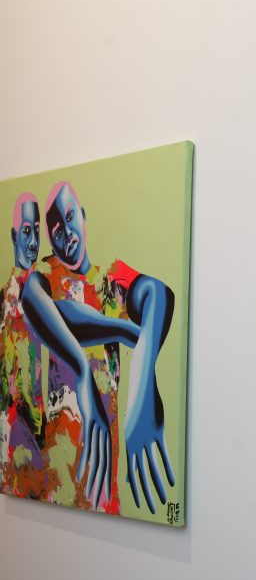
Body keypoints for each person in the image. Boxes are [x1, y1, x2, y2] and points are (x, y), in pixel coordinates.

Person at [20, 181, 175, 513]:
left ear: (83, 215)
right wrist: (116, 335)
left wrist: (143, 381)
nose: (68, 235)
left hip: (103, 461)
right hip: (60, 463)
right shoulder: (47, 273)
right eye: (57, 231)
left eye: (70, 217)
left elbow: (158, 293)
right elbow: (40, 302)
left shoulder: (110, 278)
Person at [0, 193, 46, 497]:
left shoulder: (45, 293)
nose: (33, 242)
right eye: (26, 231)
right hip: (11, 437)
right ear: (14, 235)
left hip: (42, 435)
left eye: (37, 231)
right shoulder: (4, 302)